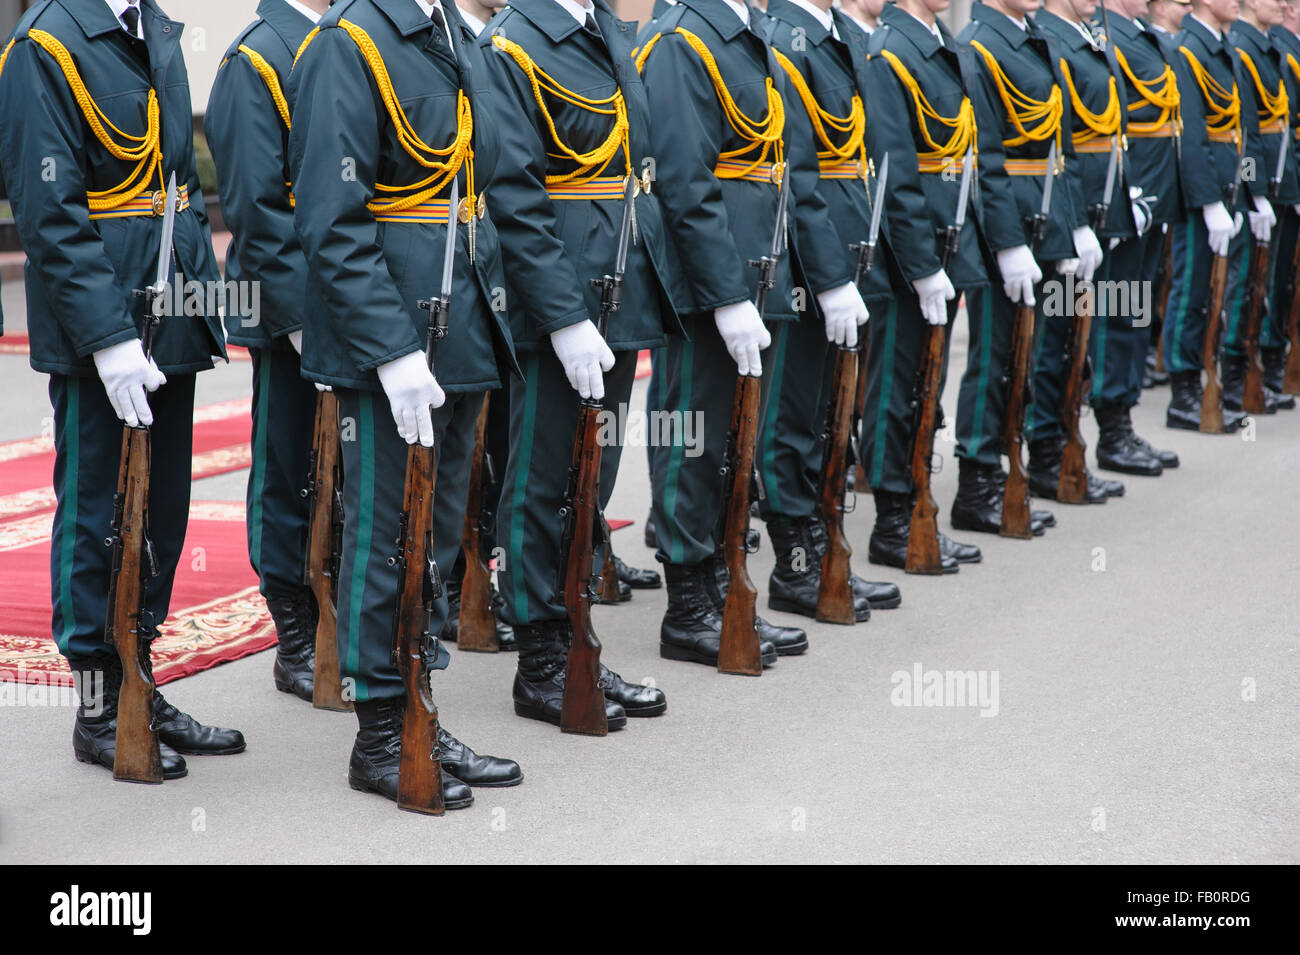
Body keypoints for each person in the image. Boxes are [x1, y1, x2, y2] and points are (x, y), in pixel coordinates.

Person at [288, 0, 523, 808]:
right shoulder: (346, 41)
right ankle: (380, 731)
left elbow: (477, 174)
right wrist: (391, 350)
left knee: (435, 533)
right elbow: (331, 222)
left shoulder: (449, 31)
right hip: (396, 332)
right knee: (385, 533)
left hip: (459, 324)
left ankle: (420, 701)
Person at [0, 0, 244, 779]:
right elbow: (50, 212)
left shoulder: (153, 28)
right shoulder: (45, 44)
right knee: (97, 511)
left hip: (170, 308)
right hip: (100, 321)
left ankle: (143, 675)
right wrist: (106, 337)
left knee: (161, 512)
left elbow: (172, 185)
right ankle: (99, 705)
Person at [637, 0, 870, 664]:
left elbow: (784, 169)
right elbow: (684, 180)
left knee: (730, 445)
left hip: (752, 274)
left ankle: (718, 587)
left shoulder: (749, 35)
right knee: (693, 439)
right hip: (708, 285)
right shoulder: (684, 39)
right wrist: (724, 293)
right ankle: (689, 606)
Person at [481, 0, 675, 729]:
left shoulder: (601, 31)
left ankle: (575, 639)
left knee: (587, 480)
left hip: (619, 289)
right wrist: (563, 318)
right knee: (540, 481)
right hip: (558, 303)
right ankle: (542, 661)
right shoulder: (515, 42)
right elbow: (515, 198)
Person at [862, 0, 1025, 564]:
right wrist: (921, 264)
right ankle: (891, 521)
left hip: (951, 238)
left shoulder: (940, 44)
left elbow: (980, 154)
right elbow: (895, 171)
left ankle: (917, 503)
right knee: (893, 386)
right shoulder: (889, 52)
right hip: (914, 249)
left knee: (924, 385)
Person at [757, 0, 906, 612]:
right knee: (790, 421)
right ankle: (796, 567)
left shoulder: (840, 35)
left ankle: (820, 550)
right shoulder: (786, 40)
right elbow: (798, 173)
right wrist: (826, 275)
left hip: (846, 251)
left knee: (828, 416)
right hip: (805, 261)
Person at [205, 0, 331, 703]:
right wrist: (301, 321)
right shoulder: (256, 58)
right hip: (291, 313)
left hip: (349, 302)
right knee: (289, 465)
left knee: (337, 471)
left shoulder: (337, 44)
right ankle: (295, 628)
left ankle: (339, 611)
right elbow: (255, 208)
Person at [1092, 0, 1187, 468]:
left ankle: (1123, 423)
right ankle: (1111, 431)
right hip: (1128, 201)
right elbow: (1111, 127)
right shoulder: (1106, 35)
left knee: (1137, 313)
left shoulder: (1141, 33)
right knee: (1116, 314)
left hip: (1154, 198)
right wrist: (1124, 192)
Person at [1162, 0, 1261, 431]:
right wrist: (1208, 202)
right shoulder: (1187, 51)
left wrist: (1251, 191)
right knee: (1191, 293)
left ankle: (1211, 377)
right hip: (1202, 200)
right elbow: (1192, 132)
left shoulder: (1225, 51)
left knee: (1219, 294)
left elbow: (1244, 132)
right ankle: (1184, 389)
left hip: (1231, 193)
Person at [1224, 0, 1299, 411]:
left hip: (1278, 179)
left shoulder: (1265, 48)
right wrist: (1254, 191)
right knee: (1244, 285)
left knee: (1271, 282)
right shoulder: (1244, 50)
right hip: (1256, 185)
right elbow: (1247, 135)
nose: (1285, 5)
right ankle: (1234, 372)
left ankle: (1262, 366)